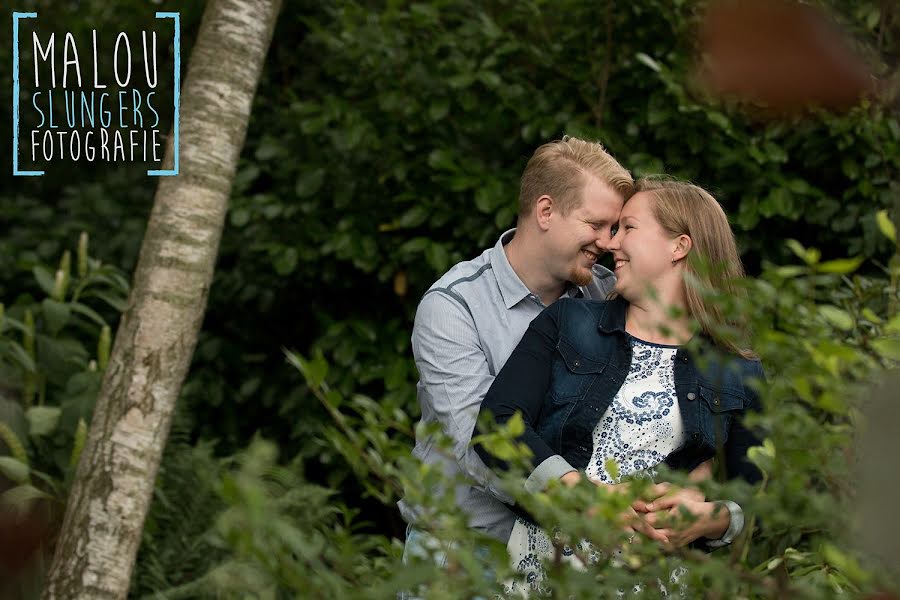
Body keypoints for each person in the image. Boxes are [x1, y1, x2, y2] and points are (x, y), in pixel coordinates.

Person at [475, 178, 763, 587]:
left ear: (678, 246)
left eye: (629, 228)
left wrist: (709, 519)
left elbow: (763, 501)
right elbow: (496, 423)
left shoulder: (737, 370)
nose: (611, 244)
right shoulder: (569, 323)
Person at [397, 136, 634, 560]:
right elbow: (481, 444)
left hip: (572, 556)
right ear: (546, 211)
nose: (609, 242)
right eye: (596, 225)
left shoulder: (608, 295)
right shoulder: (454, 306)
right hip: (466, 551)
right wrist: (582, 501)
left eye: (615, 228)